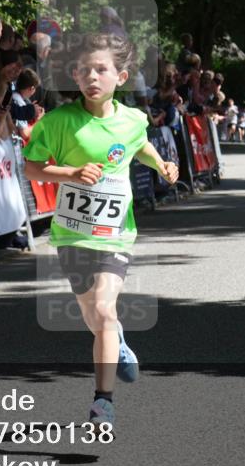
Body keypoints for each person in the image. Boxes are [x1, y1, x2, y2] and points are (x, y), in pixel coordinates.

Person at [22, 33, 179, 430]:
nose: (93, 76)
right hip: (72, 234)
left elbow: (138, 145)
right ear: (75, 75)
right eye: (86, 70)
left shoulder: (133, 119)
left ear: (120, 76)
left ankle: (102, 403)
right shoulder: (58, 122)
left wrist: (161, 163)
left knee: (106, 311)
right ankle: (118, 341)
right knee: (94, 318)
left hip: (114, 233)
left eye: (102, 70)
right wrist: (71, 172)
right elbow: (32, 167)